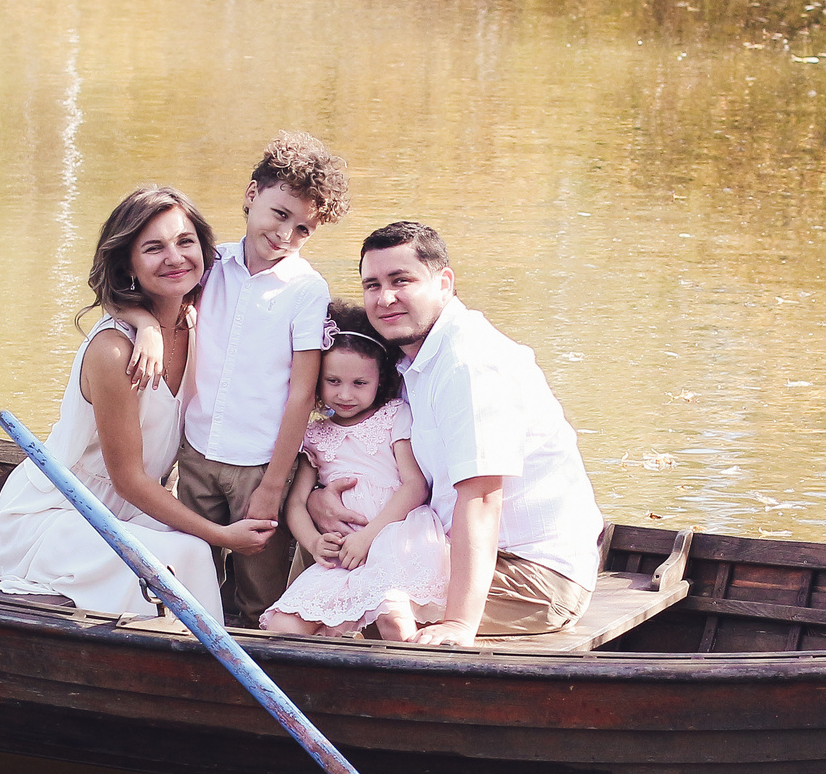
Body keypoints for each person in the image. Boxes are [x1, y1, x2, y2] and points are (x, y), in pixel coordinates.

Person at [0, 186, 275, 619]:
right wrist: (222, 535)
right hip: (64, 514)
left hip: (136, 513)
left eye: (185, 241)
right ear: (130, 266)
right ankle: (199, 676)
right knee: (195, 554)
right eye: (154, 248)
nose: (175, 257)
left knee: (191, 554)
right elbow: (128, 480)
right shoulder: (113, 351)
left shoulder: (198, 317)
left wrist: (147, 322)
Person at [316, 221, 604, 645]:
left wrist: (458, 624)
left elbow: (483, 497)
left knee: (355, 607)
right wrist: (316, 499)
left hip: (534, 576)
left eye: (401, 281)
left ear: (444, 282)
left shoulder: (470, 364)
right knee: (329, 575)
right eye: (372, 285)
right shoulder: (409, 360)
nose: (385, 298)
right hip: (451, 546)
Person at [120, 132, 349, 624]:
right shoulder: (209, 264)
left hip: (260, 464)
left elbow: (301, 395)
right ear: (251, 196)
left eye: (304, 229)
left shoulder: (306, 290)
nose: (286, 234)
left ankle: (255, 661)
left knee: (257, 590)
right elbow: (129, 288)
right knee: (192, 571)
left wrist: (272, 486)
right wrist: (146, 328)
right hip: (197, 453)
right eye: (280, 214)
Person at [262, 304, 450, 641]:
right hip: (344, 552)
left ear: (380, 381)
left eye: (359, 382)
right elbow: (296, 503)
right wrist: (314, 542)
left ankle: (411, 684)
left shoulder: (394, 415)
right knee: (284, 627)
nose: (345, 394)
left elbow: (414, 485)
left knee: (393, 616)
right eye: (333, 381)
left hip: (394, 535)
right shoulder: (315, 434)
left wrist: (369, 537)